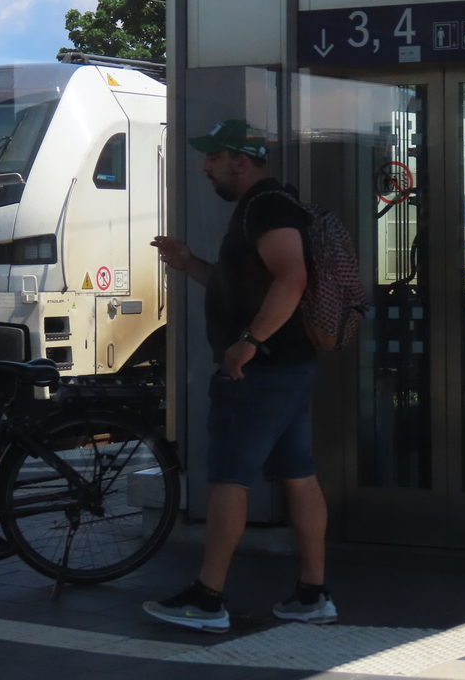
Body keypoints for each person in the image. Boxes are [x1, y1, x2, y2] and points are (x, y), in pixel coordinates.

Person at [142, 119, 336, 634]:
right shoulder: (264, 206)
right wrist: (190, 264)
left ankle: (207, 599)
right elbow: (243, 286)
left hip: (261, 370)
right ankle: (313, 594)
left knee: (229, 478)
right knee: (298, 472)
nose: (204, 167)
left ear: (241, 161)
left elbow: (292, 277)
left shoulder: (266, 207)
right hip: (285, 366)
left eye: (213, 158)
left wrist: (250, 341)